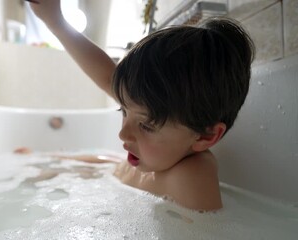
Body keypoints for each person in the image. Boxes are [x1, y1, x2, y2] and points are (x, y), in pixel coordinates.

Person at [27, 0, 255, 211]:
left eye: (146, 125)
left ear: (205, 136)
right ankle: (46, 157)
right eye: (123, 111)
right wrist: (55, 22)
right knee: (57, 164)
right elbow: (108, 78)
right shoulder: (160, 146)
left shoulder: (191, 175)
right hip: (113, 171)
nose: (122, 133)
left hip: (115, 177)